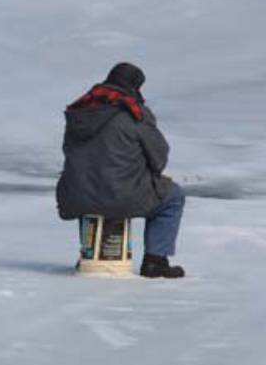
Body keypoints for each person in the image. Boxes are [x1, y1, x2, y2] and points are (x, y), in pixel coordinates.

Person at [55, 62, 186, 278]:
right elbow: (159, 157)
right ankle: (156, 261)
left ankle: (92, 255)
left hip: (77, 196)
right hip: (121, 196)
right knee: (173, 196)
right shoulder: (134, 114)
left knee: (89, 190)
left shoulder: (80, 113)